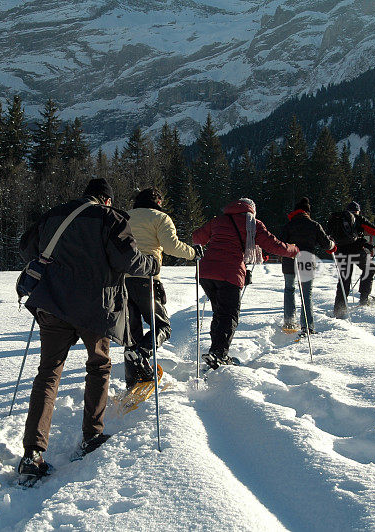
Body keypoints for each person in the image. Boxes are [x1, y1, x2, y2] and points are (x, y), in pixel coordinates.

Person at [17, 178, 159, 483]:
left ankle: (32, 453)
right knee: (98, 367)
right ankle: (92, 435)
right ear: (106, 200)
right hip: (95, 308)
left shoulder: (54, 215)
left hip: (52, 304)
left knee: (48, 373)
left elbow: (26, 248)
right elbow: (129, 260)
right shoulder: (110, 218)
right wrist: (153, 264)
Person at [193, 198, 298, 368]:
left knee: (219, 312)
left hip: (206, 272)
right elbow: (274, 245)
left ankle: (216, 351)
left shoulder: (218, 221)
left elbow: (197, 237)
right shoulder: (253, 224)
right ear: (251, 210)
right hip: (229, 273)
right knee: (229, 314)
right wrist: (294, 250)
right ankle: (219, 354)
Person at [123, 187, 204, 388]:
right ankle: (142, 354)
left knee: (132, 332)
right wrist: (193, 253)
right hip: (147, 278)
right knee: (162, 327)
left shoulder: (124, 217)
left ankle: (134, 377)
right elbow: (171, 246)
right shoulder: (160, 217)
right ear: (158, 202)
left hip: (122, 279)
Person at [279, 197, 336, 334]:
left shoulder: (289, 225)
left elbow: (280, 243)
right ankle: (307, 326)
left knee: (289, 289)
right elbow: (326, 245)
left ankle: (289, 321)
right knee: (306, 294)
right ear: (307, 212)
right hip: (306, 261)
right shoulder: (314, 225)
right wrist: (332, 245)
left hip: (289, 261)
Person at [332, 201, 375, 317]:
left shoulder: (338, 219)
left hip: (340, 252)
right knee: (370, 268)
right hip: (355, 252)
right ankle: (364, 299)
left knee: (344, 280)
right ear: (358, 211)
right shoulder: (358, 218)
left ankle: (339, 310)